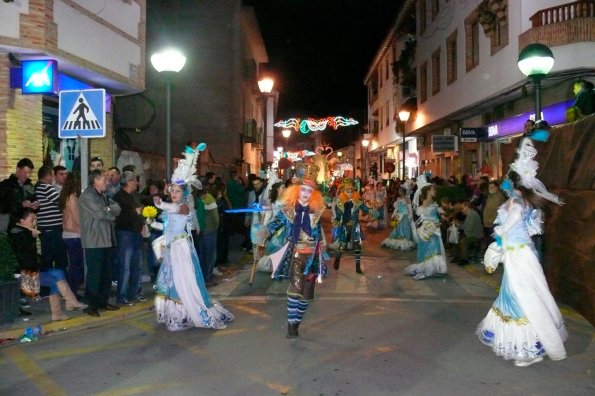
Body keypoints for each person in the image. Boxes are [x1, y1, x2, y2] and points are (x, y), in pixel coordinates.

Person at [476, 168, 567, 367]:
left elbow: (509, 224)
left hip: (519, 255)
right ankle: (526, 344)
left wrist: (500, 236)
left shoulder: (517, 204)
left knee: (523, 296)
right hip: (519, 253)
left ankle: (529, 349)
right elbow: (529, 227)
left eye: (507, 180)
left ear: (515, 185)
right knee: (518, 294)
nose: (504, 183)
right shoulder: (521, 202)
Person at [152, 148, 234, 331]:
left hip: (181, 248)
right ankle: (178, 314)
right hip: (172, 248)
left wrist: (160, 204)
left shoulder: (183, 207)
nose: (174, 193)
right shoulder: (173, 206)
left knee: (183, 281)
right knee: (173, 281)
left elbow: (173, 211)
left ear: (184, 194)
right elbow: (166, 227)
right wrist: (151, 222)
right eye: (172, 191)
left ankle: (190, 311)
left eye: (177, 191)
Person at [264, 165, 327, 339]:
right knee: (295, 290)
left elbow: (318, 232)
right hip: (296, 254)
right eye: (303, 189)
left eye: (309, 190)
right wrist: (265, 231)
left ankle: (296, 321)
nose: (306, 193)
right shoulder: (288, 210)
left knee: (306, 296)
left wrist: (323, 247)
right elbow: (275, 223)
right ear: (297, 191)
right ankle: (291, 326)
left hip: (312, 255)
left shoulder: (316, 212)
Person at [9, 209, 87, 321]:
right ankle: (65, 307)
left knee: (58, 274)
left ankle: (66, 306)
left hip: (32, 271)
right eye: (32, 220)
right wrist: (32, 237)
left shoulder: (27, 232)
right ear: (22, 221)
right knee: (54, 280)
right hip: (24, 276)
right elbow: (25, 257)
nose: (35, 222)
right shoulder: (18, 233)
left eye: (36, 219)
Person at [79, 169, 122, 317]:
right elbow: (100, 214)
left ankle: (102, 301)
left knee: (106, 273)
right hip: (94, 241)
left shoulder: (103, 196)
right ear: (95, 181)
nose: (107, 182)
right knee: (94, 274)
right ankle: (91, 304)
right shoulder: (87, 196)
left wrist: (108, 209)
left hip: (107, 240)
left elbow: (117, 208)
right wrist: (109, 211)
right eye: (104, 180)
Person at [113, 171, 145, 306]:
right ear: (129, 182)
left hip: (136, 233)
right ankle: (121, 296)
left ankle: (134, 293)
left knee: (136, 266)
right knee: (125, 267)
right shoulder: (119, 197)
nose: (137, 183)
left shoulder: (133, 196)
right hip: (125, 234)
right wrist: (135, 212)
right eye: (135, 180)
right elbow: (119, 216)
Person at [404, 184, 447, 280]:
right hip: (428, 229)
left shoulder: (432, 201)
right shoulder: (426, 202)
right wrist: (435, 221)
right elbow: (423, 217)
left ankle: (433, 269)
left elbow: (434, 212)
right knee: (431, 248)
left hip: (434, 228)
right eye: (433, 190)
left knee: (435, 248)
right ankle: (427, 269)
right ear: (428, 191)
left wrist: (441, 214)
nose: (435, 191)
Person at [329, 179, 369, 274]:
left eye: (351, 191)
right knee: (343, 245)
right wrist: (336, 221)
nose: (350, 193)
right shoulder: (340, 204)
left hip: (355, 227)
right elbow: (338, 216)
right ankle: (338, 259)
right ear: (344, 192)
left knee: (357, 246)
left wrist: (368, 212)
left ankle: (357, 267)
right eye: (348, 191)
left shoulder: (358, 203)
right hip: (345, 227)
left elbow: (366, 210)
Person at [58, 172, 85, 295]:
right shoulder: (72, 198)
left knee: (74, 265)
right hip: (74, 235)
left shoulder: (66, 197)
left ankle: (71, 292)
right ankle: (71, 293)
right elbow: (77, 218)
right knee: (76, 266)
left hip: (68, 234)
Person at [0, 158, 39, 232]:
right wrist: (21, 205)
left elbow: (35, 200)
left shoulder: (29, 186)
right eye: (25, 172)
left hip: (29, 229)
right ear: (18, 169)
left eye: (30, 173)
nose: (27, 175)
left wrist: (35, 206)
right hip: (12, 229)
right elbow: (3, 208)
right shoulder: (5, 186)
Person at [257, 179, 287, 273]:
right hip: (275, 228)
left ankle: (282, 267)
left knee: (285, 247)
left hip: (286, 227)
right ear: (277, 189)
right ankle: (275, 266)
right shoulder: (271, 202)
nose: (285, 189)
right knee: (276, 246)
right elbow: (268, 216)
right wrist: (264, 228)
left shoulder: (287, 201)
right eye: (283, 188)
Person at [451, 201, 483, 265]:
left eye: (462, 208)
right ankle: (457, 257)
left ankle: (464, 260)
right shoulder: (470, 214)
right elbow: (466, 225)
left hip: (475, 235)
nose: (462, 210)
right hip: (471, 233)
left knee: (463, 241)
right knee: (457, 238)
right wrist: (458, 223)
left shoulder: (472, 215)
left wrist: (459, 224)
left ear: (467, 207)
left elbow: (468, 228)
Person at [482, 180, 506, 246]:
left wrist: (490, 221)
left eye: (492, 187)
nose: (490, 189)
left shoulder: (498, 197)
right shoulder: (491, 196)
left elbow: (493, 210)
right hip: (489, 223)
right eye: (489, 187)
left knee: (493, 244)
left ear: (497, 187)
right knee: (490, 242)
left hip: (493, 224)